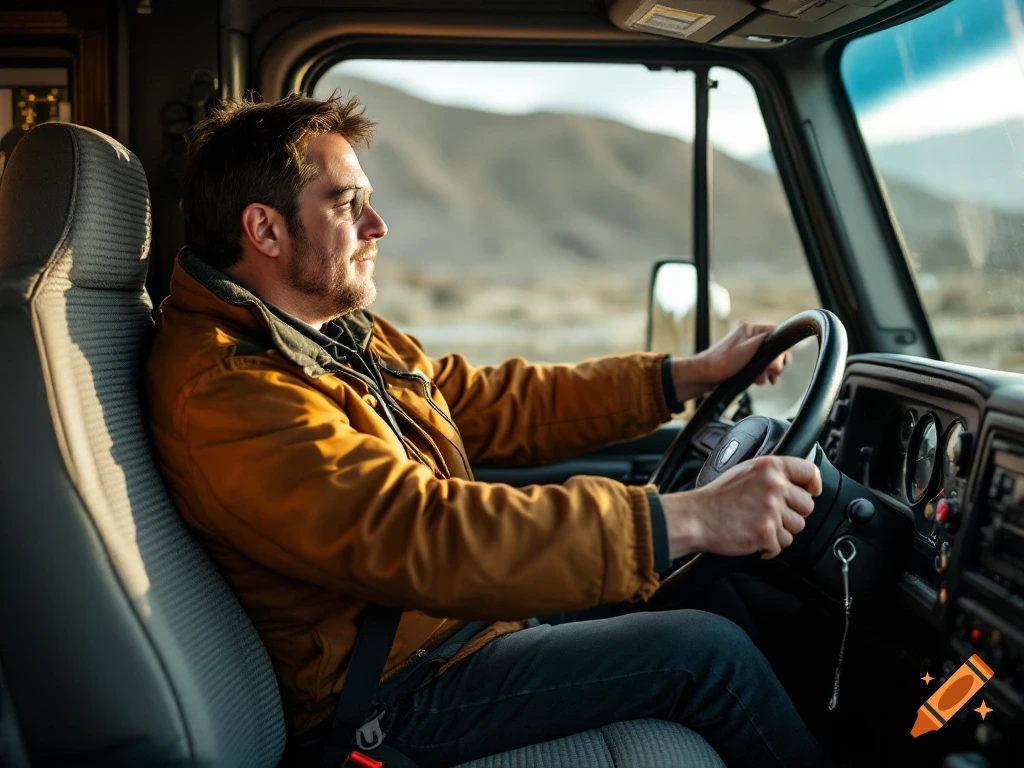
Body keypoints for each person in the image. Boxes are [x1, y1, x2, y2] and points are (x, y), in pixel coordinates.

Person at [145, 92, 832, 768]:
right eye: (347, 204)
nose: (377, 225)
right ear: (264, 230)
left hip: (451, 628)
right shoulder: (230, 392)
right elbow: (415, 531)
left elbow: (489, 401)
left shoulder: (328, 334)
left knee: (708, 588)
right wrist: (688, 517)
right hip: (392, 690)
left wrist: (689, 374)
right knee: (708, 655)